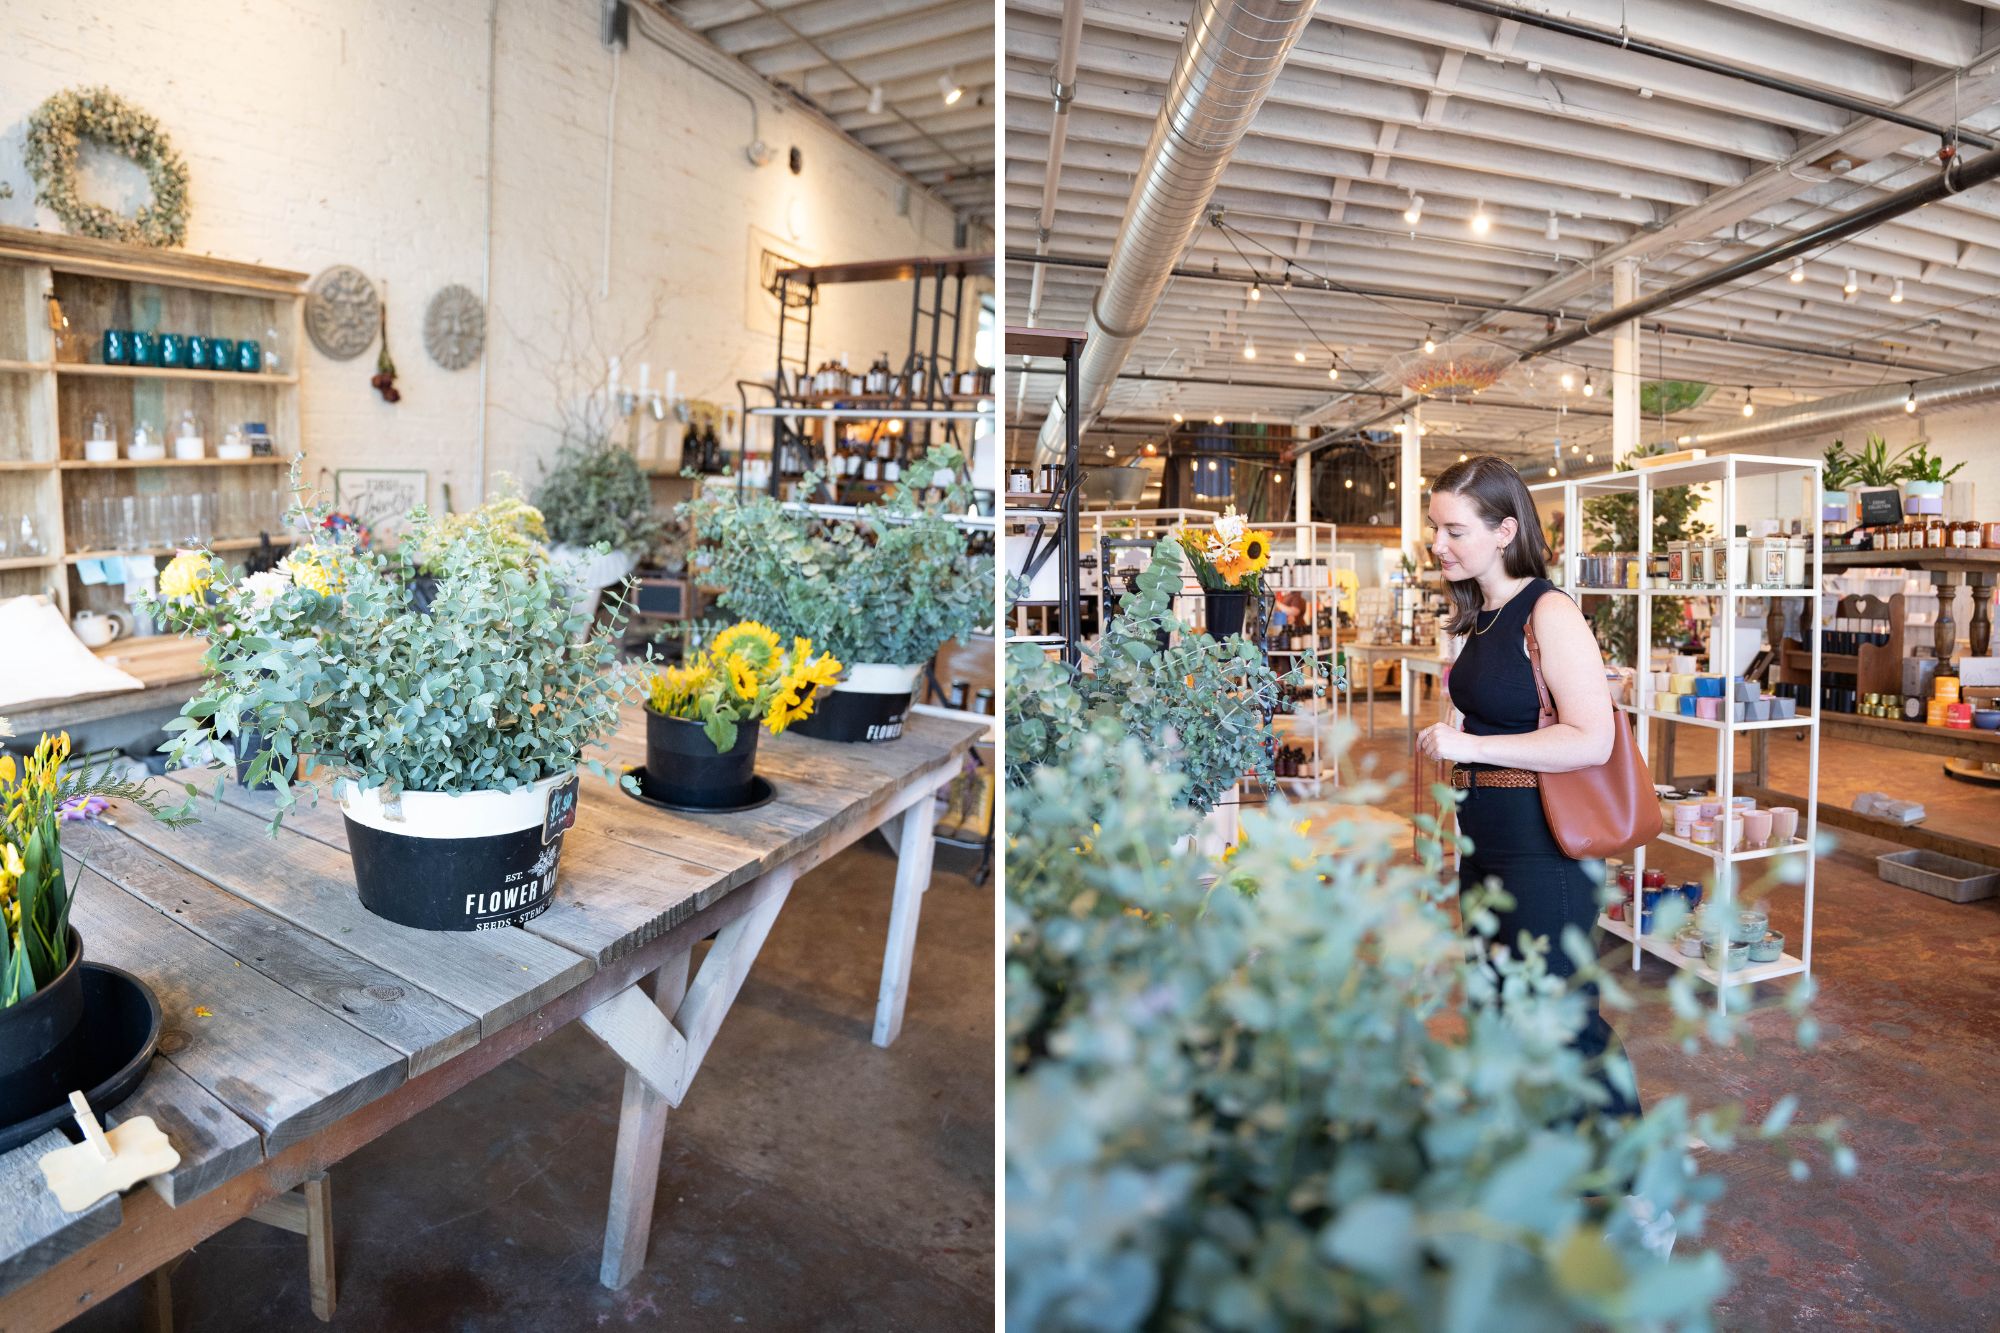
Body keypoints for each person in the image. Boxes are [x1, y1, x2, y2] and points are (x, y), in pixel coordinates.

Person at [1415, 453, 1640, 1120]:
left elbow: (1591, 738)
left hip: (1546, 848)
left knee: (1563, 1017)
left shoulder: (1550, 611)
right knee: (1497, 1002)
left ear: (1506, 530)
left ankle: (1632, 1189)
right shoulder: (1482, 613)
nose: (1437, 543)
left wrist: (1470, 745)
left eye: (1455, 530)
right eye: (1435, 528)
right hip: (1488, 841)